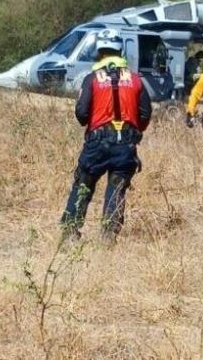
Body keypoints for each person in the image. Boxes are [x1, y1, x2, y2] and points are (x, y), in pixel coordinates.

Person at [60, 29, 152, 244]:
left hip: (97, 143)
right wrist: (133, 133)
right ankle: (108, 236)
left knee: (83, 183)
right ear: (120, 51)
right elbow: (146, 114)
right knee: (117, 188)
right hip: (126, 145)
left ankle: (70, 234)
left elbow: (82, 114)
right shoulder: (136, 80)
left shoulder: (91, 79)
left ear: (99, 52)